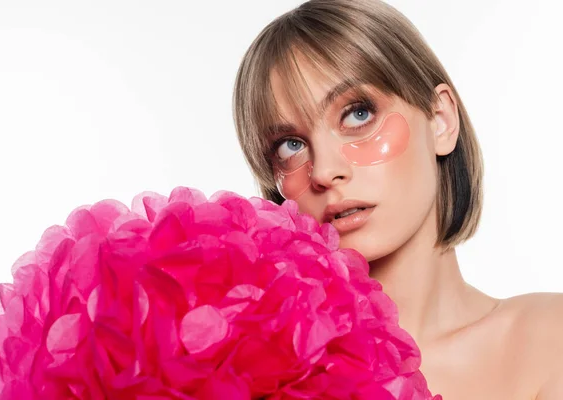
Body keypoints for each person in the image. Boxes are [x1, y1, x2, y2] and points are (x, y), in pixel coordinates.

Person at [231, 0, 563, 398]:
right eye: (290, 145)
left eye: (357, 114)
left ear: (441, 121)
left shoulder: (549, 340)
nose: (323, 171)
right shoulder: (261, 365)